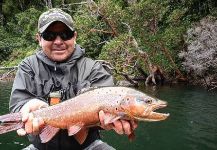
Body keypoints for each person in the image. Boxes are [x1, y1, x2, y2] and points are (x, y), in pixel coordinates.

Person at [9, 8, 137, 150]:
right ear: (39, 39)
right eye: (49, 35)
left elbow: (110, 104)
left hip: (89, 146)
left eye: (65, 34)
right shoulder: (29, 67)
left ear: (74, 37)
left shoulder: (94, 69)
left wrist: (109, 121)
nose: (58, 41)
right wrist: (27, 106)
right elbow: (18, 103)